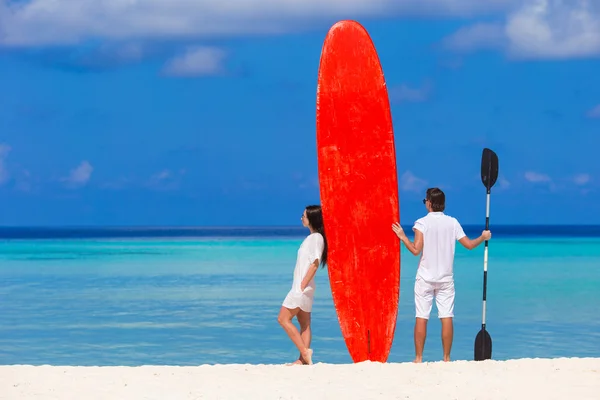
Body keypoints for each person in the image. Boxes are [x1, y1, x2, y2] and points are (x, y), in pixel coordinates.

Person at [391, 187, 491, 363]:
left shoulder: (422, 223)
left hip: (425, 278)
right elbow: (468, 245)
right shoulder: (452, 223)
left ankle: (419, 358)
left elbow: (415, 250)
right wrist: (482, 238)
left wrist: (402, 236)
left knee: (422, 316)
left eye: (425, 201)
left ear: (429, 203)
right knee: (446, 316)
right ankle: (446, 358)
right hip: (445, 279)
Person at [278, 205, 328, 366]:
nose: (301, 218)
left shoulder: (315, 238)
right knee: (304, 323)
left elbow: (314, 263)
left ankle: (305, 352)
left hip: (301, 288)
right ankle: (302, 360)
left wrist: (301, 285)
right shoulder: (315, 237)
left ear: (312, 218)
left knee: (283, 319)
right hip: (305, 287)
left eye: (304, 216)